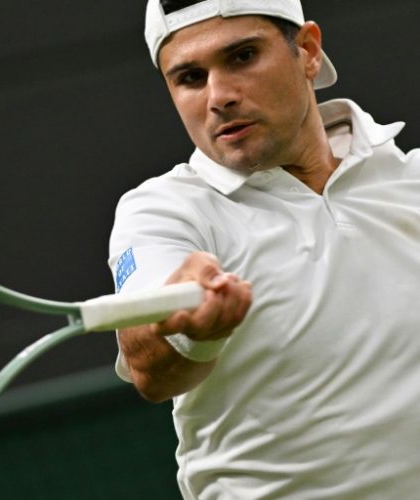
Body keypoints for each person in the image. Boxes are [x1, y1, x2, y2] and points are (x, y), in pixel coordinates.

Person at [109, 0, 420, 497]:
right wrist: (189, 326)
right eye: (189, 77)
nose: (219, 96)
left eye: (242, 57)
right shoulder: (162, 213)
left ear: (308, 52)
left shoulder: (411, 180)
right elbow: (149, 367)